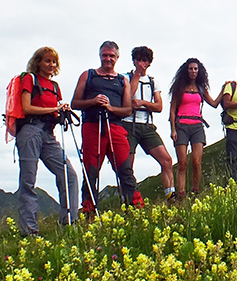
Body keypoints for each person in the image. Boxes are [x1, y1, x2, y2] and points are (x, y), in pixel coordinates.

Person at [15, 46, 79, 235]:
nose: (51, 65)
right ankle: (29, 231)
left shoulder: (55, 86)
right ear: (38, 63)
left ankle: (69, 223)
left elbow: (54, 112)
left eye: (54, 62)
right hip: (30, 131)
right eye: (47, 61)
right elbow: (26, 108)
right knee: (28, 181)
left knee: (69, 175)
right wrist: (53, 110)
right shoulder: (29, 79)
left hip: (48, 134)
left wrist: (61, 111)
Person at [71, 41, 141, 210]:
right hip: (92, 126)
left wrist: (111, 108)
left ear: (117, 57)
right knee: (91, 172)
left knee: (125, 170)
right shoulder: (87, 75)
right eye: (105, 55)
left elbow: (127, 110)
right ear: (100, 55)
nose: (108, 59)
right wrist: (93, 101)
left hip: (115, 126)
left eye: (111, 56)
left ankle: (136, 208)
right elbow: (75, 103)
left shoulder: (123, 80)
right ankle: (89, 211)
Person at [121, 46, 176, 200]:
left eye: (144, 60)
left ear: (149, 62)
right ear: (134, 61)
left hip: (146, 126)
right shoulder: (125, 78)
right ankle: (128, 199)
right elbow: (127, 96)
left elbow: (159, 107)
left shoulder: (153, 82)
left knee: (166, 160)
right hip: (128, 124)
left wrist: (143, 103)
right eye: (138, 60)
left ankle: (170, 195)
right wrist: (137, 75)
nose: (141, 63)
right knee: (127, 165)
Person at [169, 58, 220, 198]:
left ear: (199, 71)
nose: (193, 71)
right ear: (186, 70)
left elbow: (214, 103)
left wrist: (224, 90)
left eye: (195, 69)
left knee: (196, 162)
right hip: (181, 126)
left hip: (197, 125)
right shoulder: (179, 88)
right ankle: (181, 194)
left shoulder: (201, 89)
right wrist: (173, 129)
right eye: (191, 68)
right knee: (183, 163)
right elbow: (172, 110)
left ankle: (195, 192)